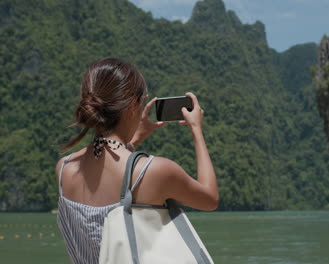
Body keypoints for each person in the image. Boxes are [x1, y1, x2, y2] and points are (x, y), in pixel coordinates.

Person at [55, 57, 218, 264]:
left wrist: (136, 137)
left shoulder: (64, 170)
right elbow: (210, 199)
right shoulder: (156, 171)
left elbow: (110, 162)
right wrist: (196, 130)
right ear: (133, 105)